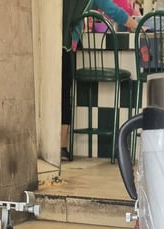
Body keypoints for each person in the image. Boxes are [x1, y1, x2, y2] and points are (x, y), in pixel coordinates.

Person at [61, 0, 140, 161]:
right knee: (64, 93)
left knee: (58, 93)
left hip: (51, 41)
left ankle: (52, 145)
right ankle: (61, 146)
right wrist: (138, 26)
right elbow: (114, 11)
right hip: (68, 44)